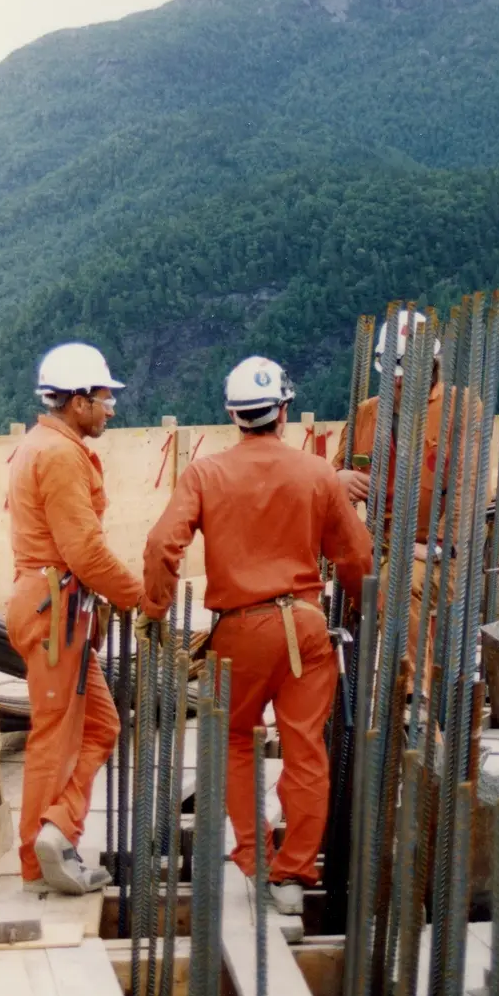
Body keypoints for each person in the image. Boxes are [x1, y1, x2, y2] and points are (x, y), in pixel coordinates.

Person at [141, 356, 373, 915]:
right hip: (304, 628)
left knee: (235, 740)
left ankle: (257, 858)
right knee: (305, 749)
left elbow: (160, 547)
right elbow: (357, 556)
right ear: (284, 410)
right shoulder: (317, 473)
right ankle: (293, 877)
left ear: (234, 415)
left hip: (238, 633)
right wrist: (366, 613)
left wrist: (154, 610)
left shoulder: (205, 473)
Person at [6, 342, 161, 895]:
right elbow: (85, 553)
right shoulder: (61, 455)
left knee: (102, 726)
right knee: (52, 736)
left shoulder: (46, 444)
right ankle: (35, 863)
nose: (111, 408)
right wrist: (144, 598)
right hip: (54, 612)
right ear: (75, 401)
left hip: (60, 609)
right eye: (102, 397)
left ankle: (56, 828)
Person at [332, 310, 482, 714]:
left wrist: (434, 548)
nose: (396, 380)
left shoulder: (460, 408)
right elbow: (330, 480)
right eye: (390, 370)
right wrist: (341, 480)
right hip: (375, 546)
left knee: (399, 583)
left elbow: (469, 493)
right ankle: (338, 700)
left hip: (438, 555)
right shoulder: (367, 414)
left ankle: (412, 698)